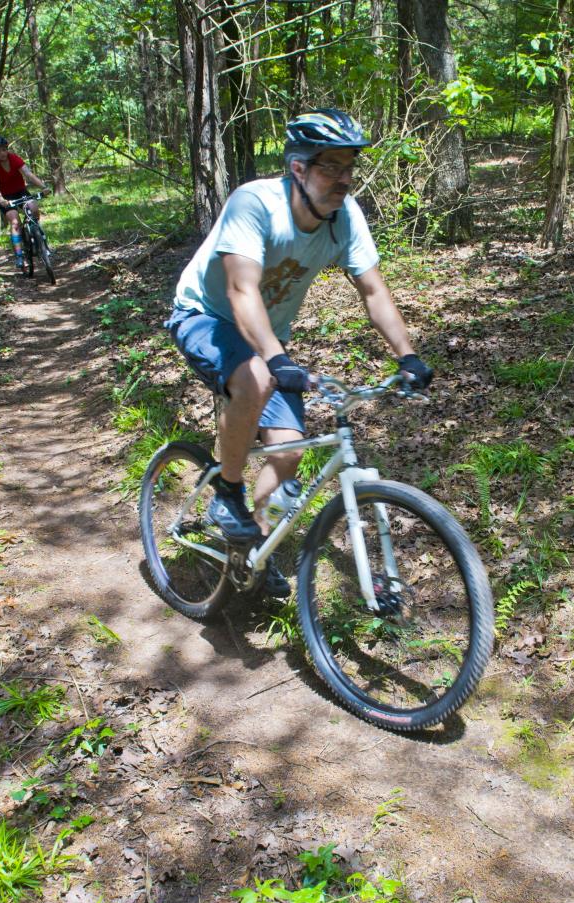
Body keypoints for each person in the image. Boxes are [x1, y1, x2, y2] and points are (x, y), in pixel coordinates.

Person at [165, 108, 435, 598]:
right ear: (298, 169)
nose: (344, 179)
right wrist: (276, 358)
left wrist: (407, 356)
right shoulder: (255, 204)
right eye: (331, 167)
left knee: (288, 450)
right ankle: (227, 494)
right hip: (206, 315)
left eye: (349, 167)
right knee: (255, 378)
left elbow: (373, 292)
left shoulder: (344, 218)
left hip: (263, 332)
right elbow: (241, 292)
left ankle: (252, 545)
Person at [0, 135, 49, 270]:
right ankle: (19, 255)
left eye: (4, 149)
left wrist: (43, 187)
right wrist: (1, 199)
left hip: (20, 191)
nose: (2, 153)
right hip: (5, 198)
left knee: (34, 208)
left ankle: (39, 238)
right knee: (15, 222)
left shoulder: (14, 158)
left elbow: (28, 174)